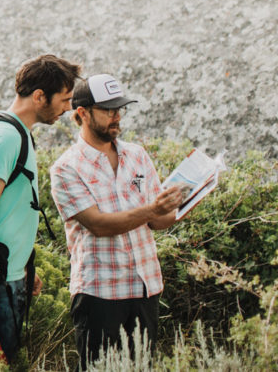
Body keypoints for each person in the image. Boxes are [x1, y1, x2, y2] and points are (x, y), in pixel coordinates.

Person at [49, 74, 184, 369]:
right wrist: (152, 210)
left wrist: (184, 203)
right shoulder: (66, 169)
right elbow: (98, 224)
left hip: (145, 288)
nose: (116, 117)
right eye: (108, 110)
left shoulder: (136, 155)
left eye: (119, 109)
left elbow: (158, 221)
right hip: (99, 293)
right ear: (82, 113)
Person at [0, 54, 81, 363]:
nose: (68, 107)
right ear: (40, 96)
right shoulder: (5, 137)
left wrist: (26, 265)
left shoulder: (18, 133)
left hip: (9, 274)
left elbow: (9, 209)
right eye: (64, 99)